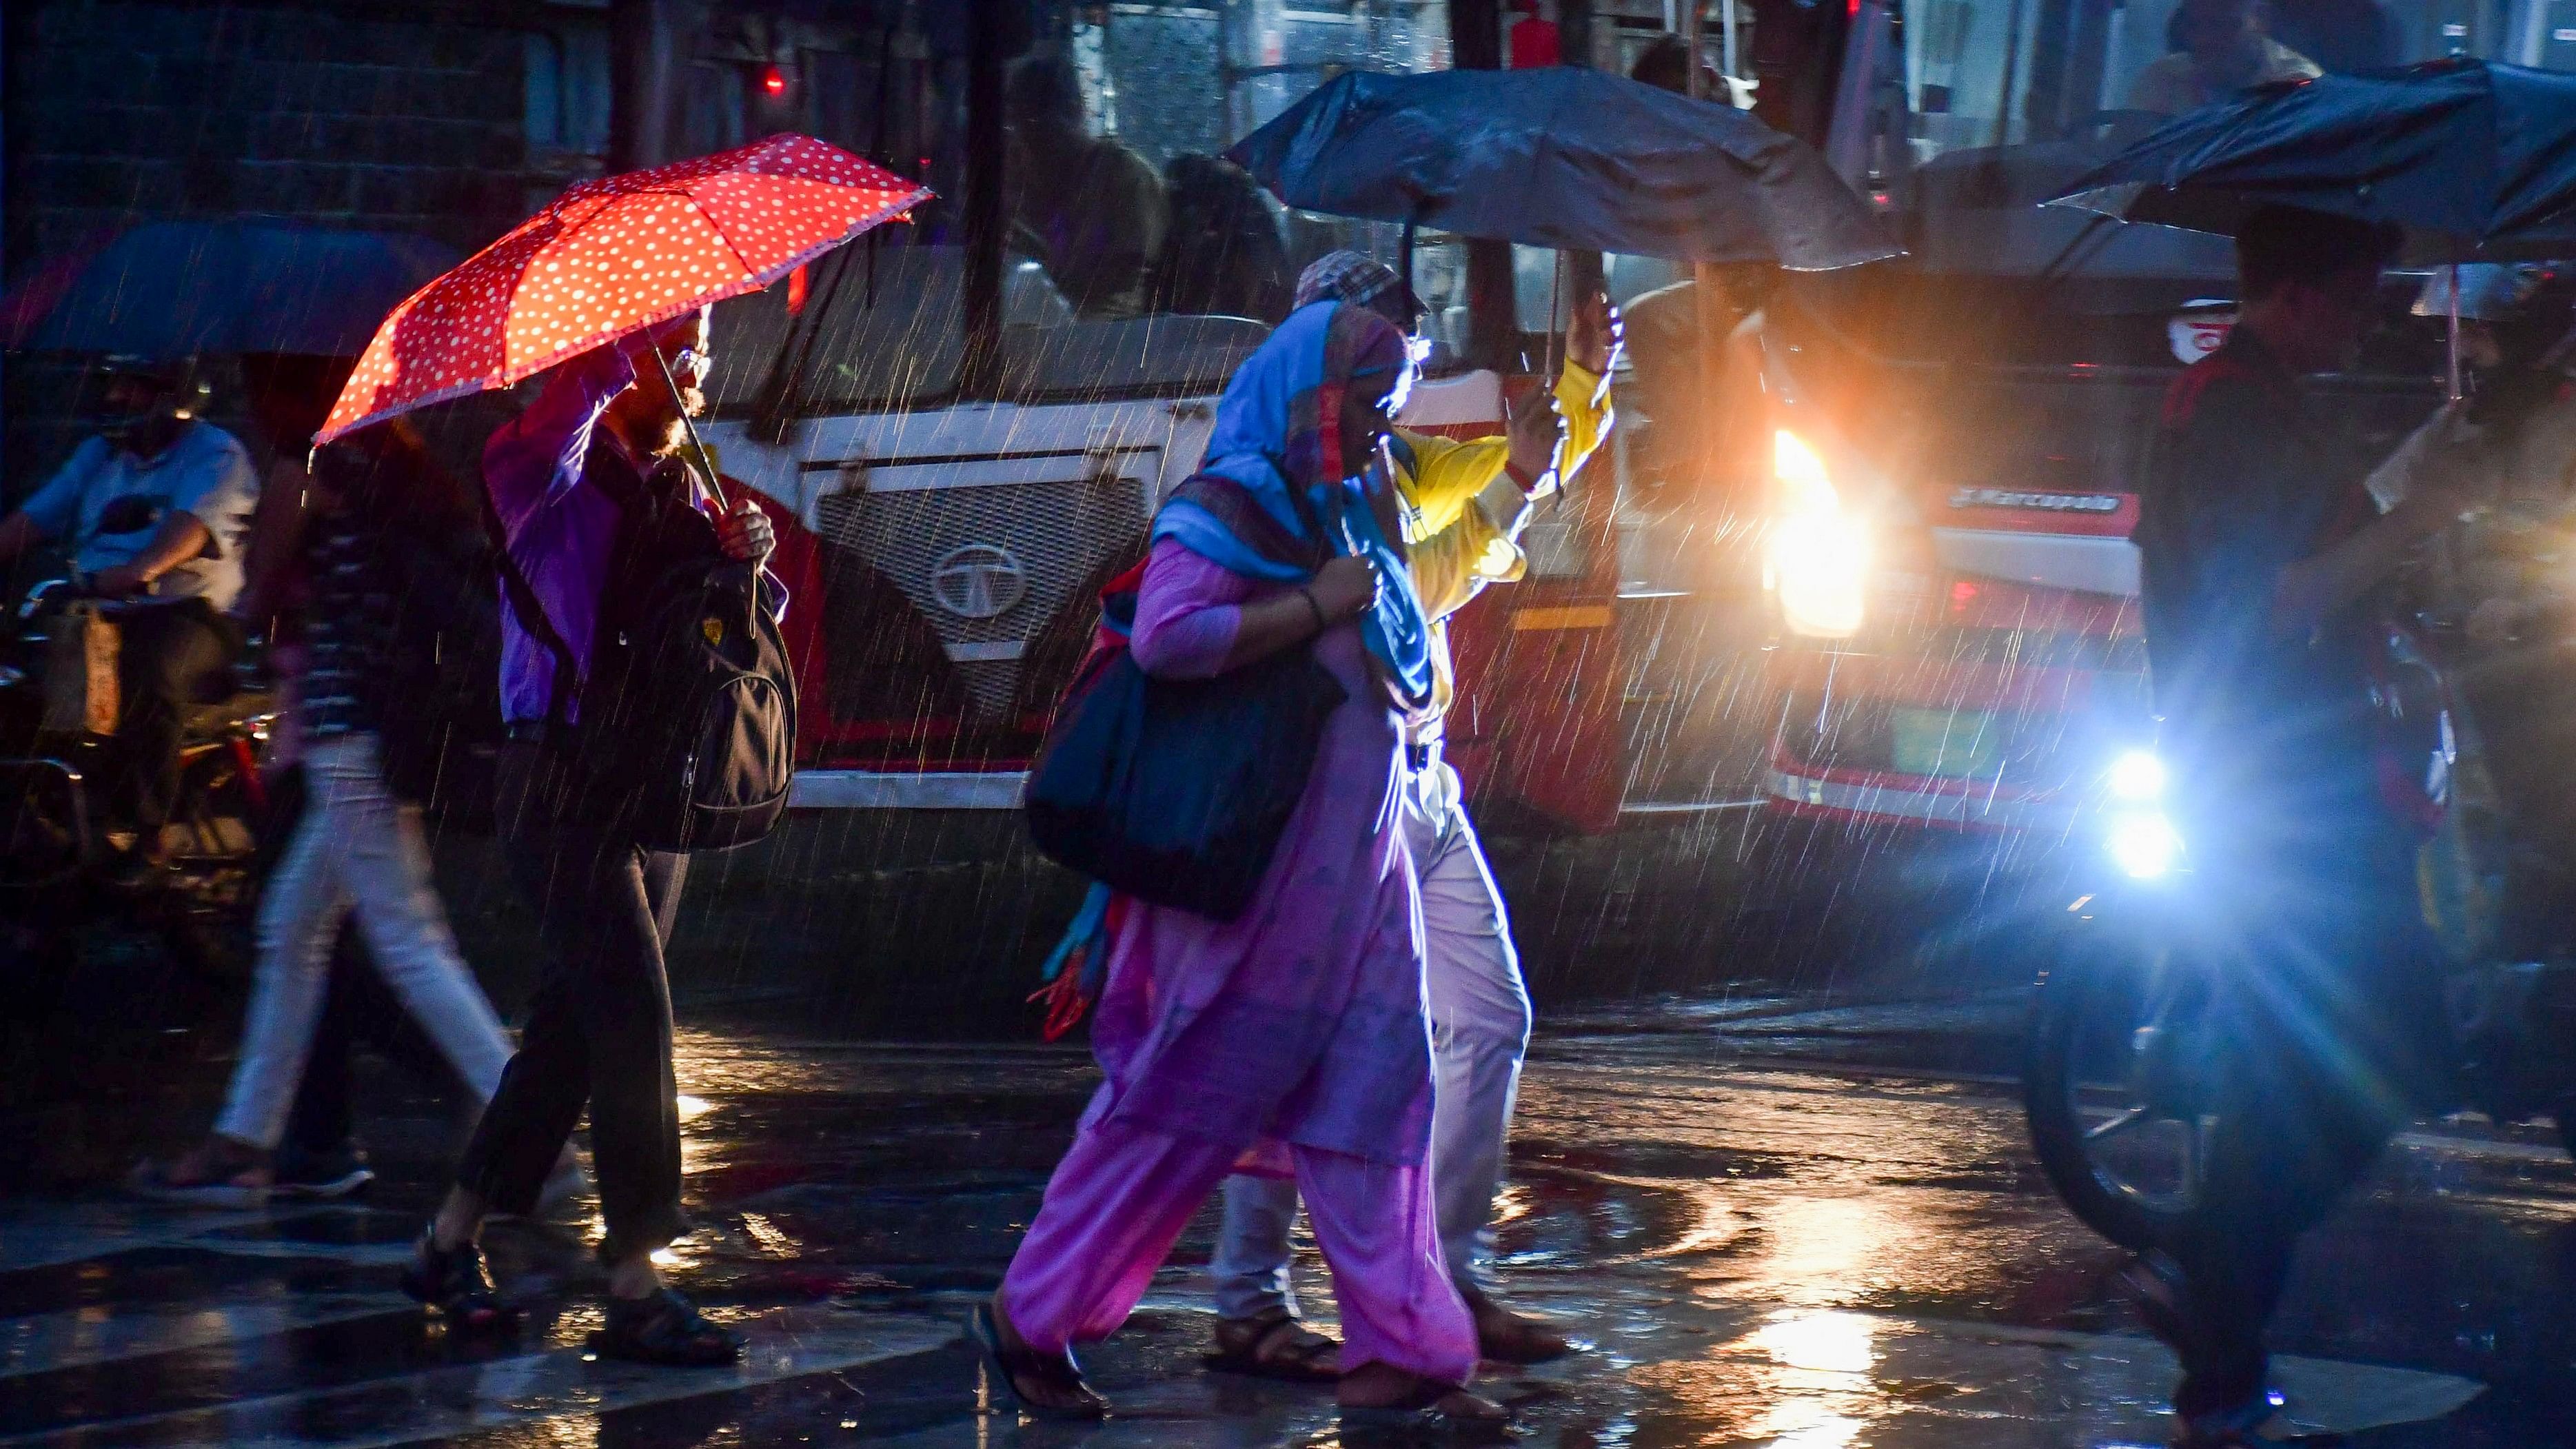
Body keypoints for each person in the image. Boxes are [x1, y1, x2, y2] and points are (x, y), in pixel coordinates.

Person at [972, 298, 1502, 1435]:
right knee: (1175, 1115)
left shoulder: (1361, 506)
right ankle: (1030, 1319)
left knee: (1375, 1104)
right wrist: (1310, 603)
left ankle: (1406, 1350)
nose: (1377, 431)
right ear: (1306, 399)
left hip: (1359, 885)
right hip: (1251, 894)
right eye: (1363, 406)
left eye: (1386, 408)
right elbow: (1169, 640)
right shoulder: (1228, 507)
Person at [1204, 251, 1614, 1381]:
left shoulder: (1389, 468)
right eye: (1385, 342)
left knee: (1486, 1020)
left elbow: (1465, 536)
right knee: (1304, 1052)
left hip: (1422, 784)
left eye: (1407, 341)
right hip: (1333, 800)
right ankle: (1257, 1302)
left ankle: (1440, 1282)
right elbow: (1197, 633)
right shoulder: (1264, 476)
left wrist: (1569, 403)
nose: (1406, 364)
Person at [2127, 205, 2480, 1448]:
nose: (2374, 315)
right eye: (2360, 292)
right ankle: (2210, 1318)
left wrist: (2412, 493)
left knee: (2327, 1073)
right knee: (2363, 1061)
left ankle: (2215, 1334)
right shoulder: (2227, 407)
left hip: (2309, 774)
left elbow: (2323, 550)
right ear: (2300, 293)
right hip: (2276, 791)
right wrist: (2418, 519)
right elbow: (2270, 600)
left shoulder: (2264, 397)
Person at [400, 309, 775, 1366]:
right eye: (679, 344)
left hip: (649, 789)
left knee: (571, 1033)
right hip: (557, 782)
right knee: (633, 1021)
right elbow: (564, 426)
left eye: (703, 345)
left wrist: (750, 560)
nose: (699, 366)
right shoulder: (536, 469)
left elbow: (719, 625)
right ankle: (637, 1278)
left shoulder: (685, 484)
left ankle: (446, 1241)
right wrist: (613, 354)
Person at [126, 367, 517, 1208]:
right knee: (290, 931)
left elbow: (260, 591)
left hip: (349, 729)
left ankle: (527, 1129)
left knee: (410, 944)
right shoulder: (396, 466)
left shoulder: (317, 471)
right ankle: (245, 1139)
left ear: (289, 399)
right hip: (373, 728)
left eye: (265, 392)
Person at [0, 354, 259, 872]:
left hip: (189, 612)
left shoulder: (216, 456)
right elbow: (34, 518)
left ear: (172, 396)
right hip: (96, 609)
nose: (117, 398)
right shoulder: (100, 453)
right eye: (113, 385)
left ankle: (149, 834)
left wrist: (143, 567)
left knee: (147, 674)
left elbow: (189, 527)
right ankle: (39, 824)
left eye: (132, 388)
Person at [1005, 59, 1168, 318]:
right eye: (1023, 134)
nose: (1033, 149)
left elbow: (1130, 291)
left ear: (1074, 112)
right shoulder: (1034, 185)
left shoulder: (1125, 176)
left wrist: (1072, 331)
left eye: (1042, 133)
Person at [2125, 0, 2320, 115]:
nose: (2204, 39)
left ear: (2261, 19)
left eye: (2221, 24)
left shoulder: (2298, 86)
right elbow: (2116, 163)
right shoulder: (2163, 78)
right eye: (2194, 25)